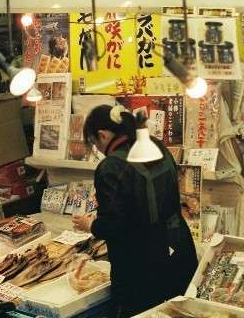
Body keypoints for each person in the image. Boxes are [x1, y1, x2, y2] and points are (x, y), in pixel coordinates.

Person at [72, 104, 198, 318]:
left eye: (94, 143)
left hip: (141, 268)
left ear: (102, 136)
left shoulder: (111, 167)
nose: (99, 150)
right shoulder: (156, 145)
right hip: (179, 251)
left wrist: (90, 224)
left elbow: (112, 225)